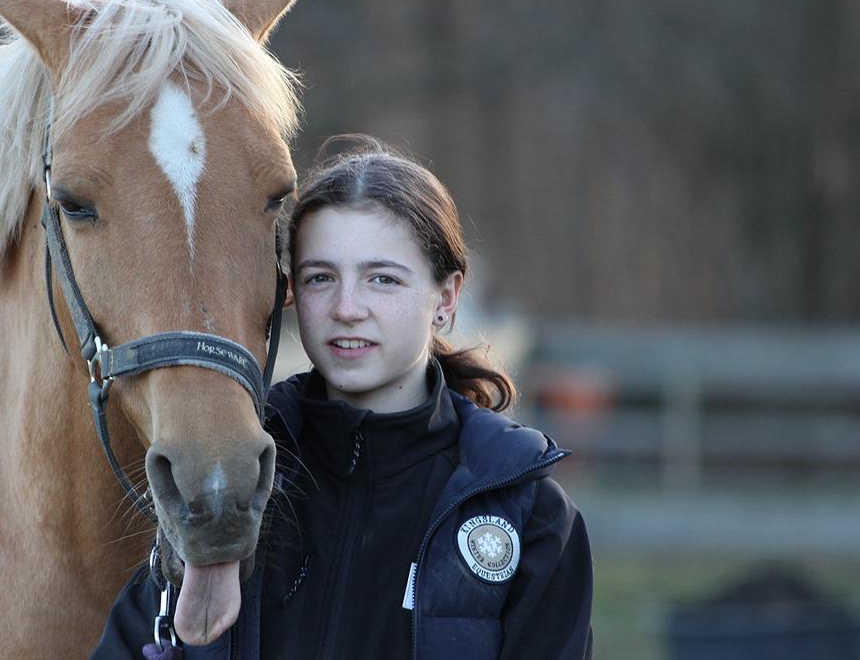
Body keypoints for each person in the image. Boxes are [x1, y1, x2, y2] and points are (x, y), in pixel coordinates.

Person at [92, 139, 593, 659]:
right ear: (289, 293)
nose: (347, 308)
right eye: (320, 278)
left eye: (382, 279)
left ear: (445, 299)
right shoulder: (233, 470)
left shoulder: (526, 513)